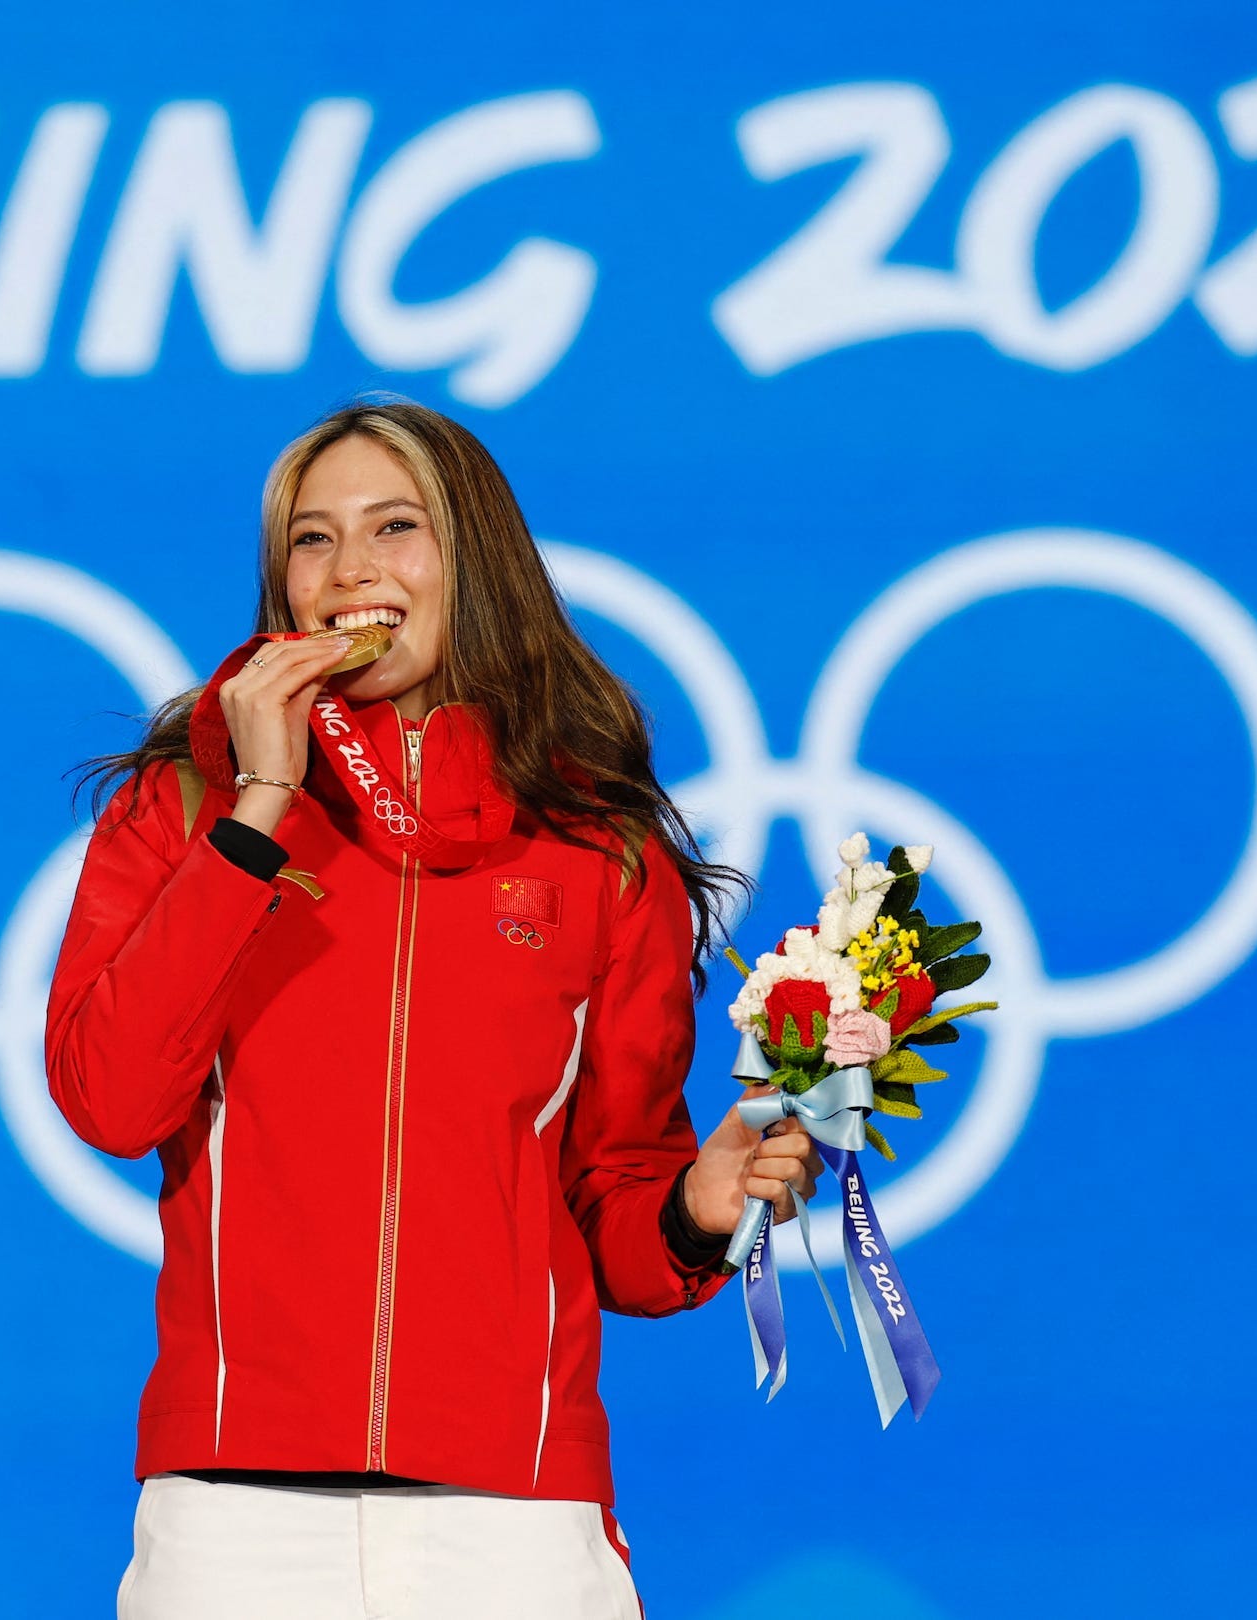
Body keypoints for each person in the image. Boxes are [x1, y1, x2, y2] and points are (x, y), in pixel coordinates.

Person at [45, 399, 819, 1620]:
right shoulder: (185, 811)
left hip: (510, 1520)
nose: (349, 569)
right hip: (235, 1517)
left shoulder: (596, 852)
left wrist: (693, 1209)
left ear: (477, 562)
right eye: (311, 540)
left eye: (395, 527)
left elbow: (615, 1198)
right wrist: (258, 809)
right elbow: (109, 1097)